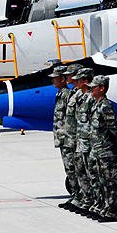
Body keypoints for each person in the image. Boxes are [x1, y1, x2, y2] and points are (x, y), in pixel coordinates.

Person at [87, 75, 117, 222]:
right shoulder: (96, 104)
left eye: (93, 88)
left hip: (107, 150)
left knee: (110, 182)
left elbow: (113, 128)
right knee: (101, 181)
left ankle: (112, 212)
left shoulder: (105, 106)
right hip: (98, 149)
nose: (90, 90)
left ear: (101, 88)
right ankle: (105, 208)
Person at [65, 67, 95, 216]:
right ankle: (85, 200)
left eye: (77, 79)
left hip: (88, 141)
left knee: (93, 174)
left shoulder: (90, 98)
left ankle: (95, 203)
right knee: (80, 171)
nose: (73, 80)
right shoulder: (78, 95)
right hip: (77, 139)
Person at [49, 65, 74, 209]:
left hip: (68, 138)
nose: (53, 81)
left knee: (72, 168)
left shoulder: (67, 95)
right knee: (69, 169)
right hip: (63, 138)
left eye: (55, 78)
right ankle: (76, 197)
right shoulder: (60, 94)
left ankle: (78, 197)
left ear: (63, 79)